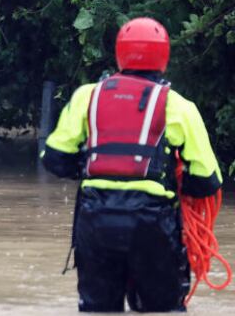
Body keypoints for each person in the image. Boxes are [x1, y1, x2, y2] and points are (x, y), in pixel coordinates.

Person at [41, 17, 222, 312]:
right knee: (162, 309)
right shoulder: (178, 105)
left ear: (119, 54)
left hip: (95, 221)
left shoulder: (87, 95)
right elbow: (207, 180)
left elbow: (54, 159)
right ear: (164, 56)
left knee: (99, 309)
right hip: (152, 225)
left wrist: (92, 168)